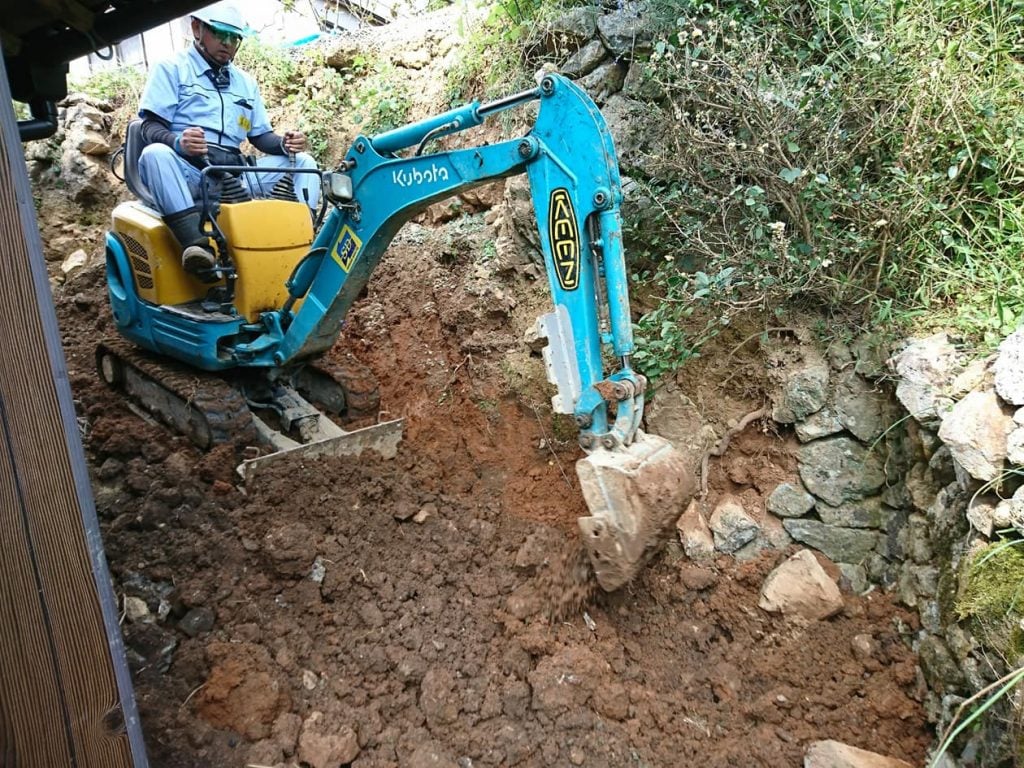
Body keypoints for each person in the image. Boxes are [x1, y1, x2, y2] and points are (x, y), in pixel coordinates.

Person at [136, 1, 321, 279]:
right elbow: (150, 126)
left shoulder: (245, 83)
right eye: (220, 34)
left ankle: (304, 242)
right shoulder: (172, 68)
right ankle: (197, 249)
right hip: (189, 171)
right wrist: (178, 143)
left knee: (305, 161)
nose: (228, 44)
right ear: (197, 29)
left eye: (235, 38)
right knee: (154, 155)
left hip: (233, 174)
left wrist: (284, 143)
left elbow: (259, 136)